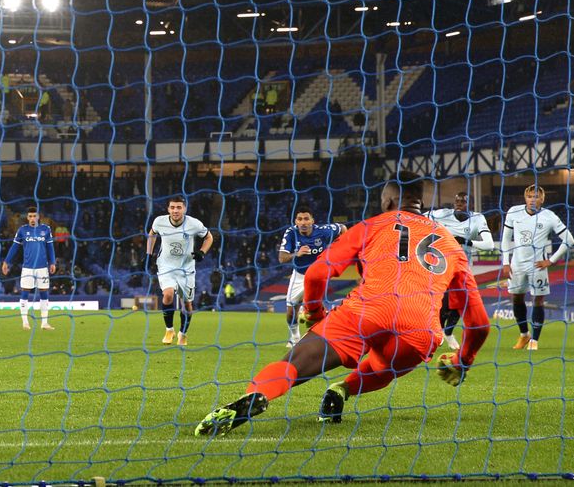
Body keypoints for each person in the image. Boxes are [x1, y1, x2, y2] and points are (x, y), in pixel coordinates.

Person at [195, 171, 490, 436]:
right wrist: (462, 361)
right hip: (420, 329)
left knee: (294, 365)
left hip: (366, 311)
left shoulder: (371, 225)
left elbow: (316, 273)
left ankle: (259, 395)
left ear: (387, 201)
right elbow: (479, 324)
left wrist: (314, 313)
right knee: (383, 365)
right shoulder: (452, 246)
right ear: (422, 205)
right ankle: (343, 389)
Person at [500, 185, 573, 351]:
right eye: (530, 196)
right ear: (525, 198)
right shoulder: (513, 212)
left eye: (536, 197)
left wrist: (551, 260)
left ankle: (535, 340)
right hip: (516, 264)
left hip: (537, 266)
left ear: (542, 199)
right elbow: (505, 239)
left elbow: (569, 239)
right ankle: (524, 335)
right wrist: (505, 262)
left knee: (538, 300)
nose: (533, 199)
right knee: (516, 298)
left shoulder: (550, 217)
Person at [428, 191, 494, 349]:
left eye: (463, 202)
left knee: (461, 303)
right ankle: (438, 334)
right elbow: (419, 216)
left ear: (469, 205)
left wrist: (466, 241)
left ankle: (447, 332)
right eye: (457, 201)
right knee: (443, 301)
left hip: (463, 267)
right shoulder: (441, 214)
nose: (458, 204)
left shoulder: (477, 219)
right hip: (441, 266)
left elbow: (489, 245)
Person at [147, 196, 213, 347]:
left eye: (178, 207)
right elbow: (152, 234)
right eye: (172, 207)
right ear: (168, 209)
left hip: (186, 269)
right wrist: (148, 254)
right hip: (166, 266)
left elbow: (209, 237)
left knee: (187, 305)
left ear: (184, 209)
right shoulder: (159, 221)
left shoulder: (194, 224)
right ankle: (169, 330)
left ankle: (183, 334)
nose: (175, 210)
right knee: (168, 294)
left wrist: (202, 252)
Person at [278, 206, 346, 348]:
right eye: (300, 219)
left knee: (315, 310)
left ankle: (320, 338)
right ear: (296, 221)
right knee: (291, 312)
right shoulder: (291, 233)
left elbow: (343, 228)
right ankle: (294, 337)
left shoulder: (323, 231)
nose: (303, 222)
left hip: (317, 276)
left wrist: (338, 248)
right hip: (299, 276)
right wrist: (297, 253)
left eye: (306, 219)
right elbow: (282, 258)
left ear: (312, 221)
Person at [1, 207, 57, 331]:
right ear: (27, 218)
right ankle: (25, 322)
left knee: (44, 293)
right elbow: (14, 247)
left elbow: (50, 247)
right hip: (28, 268)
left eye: (34, 216)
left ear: (38, 217)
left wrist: (52, 262)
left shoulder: (45, 229)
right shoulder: (22, 230)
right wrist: (6, 261)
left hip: (42, 267)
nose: (32, 218)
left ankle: (44, 323)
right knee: (25, 293)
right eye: (30, 216)